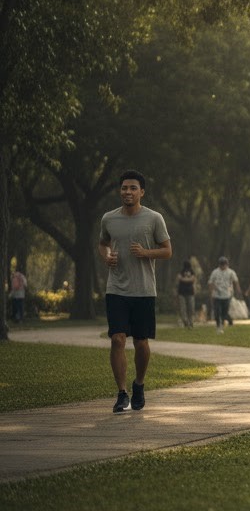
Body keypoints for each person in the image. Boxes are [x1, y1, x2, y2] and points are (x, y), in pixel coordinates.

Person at [97, 170, 172, 413]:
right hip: (116, 288)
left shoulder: (154, 218)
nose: (127, 192)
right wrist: (107, 256)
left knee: (141, 342)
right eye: (124, 188)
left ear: (142, 192)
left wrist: (145, 253)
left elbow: (167, 250)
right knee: (117, 338)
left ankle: (139, 384)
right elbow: (103, 244)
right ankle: (121, 394)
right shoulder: (109, 218)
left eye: (132, 188)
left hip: (144, 290)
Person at [208, 256, 241, 334]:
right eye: (222, 264)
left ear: (227, 264)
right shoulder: (215, 272)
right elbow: (210, 282)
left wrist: (238, 290)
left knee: (224, 312)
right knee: (217, 311)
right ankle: (218, 325)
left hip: (227, 295)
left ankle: (222, 324)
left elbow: (236, 281)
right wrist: (211, 292)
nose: (223, 266)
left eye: (224, 264)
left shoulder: (231, 272)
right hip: (217, 295)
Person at [176, 260, 197, 329]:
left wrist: (183, 279)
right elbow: (179, 278)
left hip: (190, 292)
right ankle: (185, 322)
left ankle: (191, 322)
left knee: (191, 308)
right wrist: (188, 279)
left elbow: (193, 279)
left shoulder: (192, 271)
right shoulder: (181, 271)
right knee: (183, 308)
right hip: (181, 292)